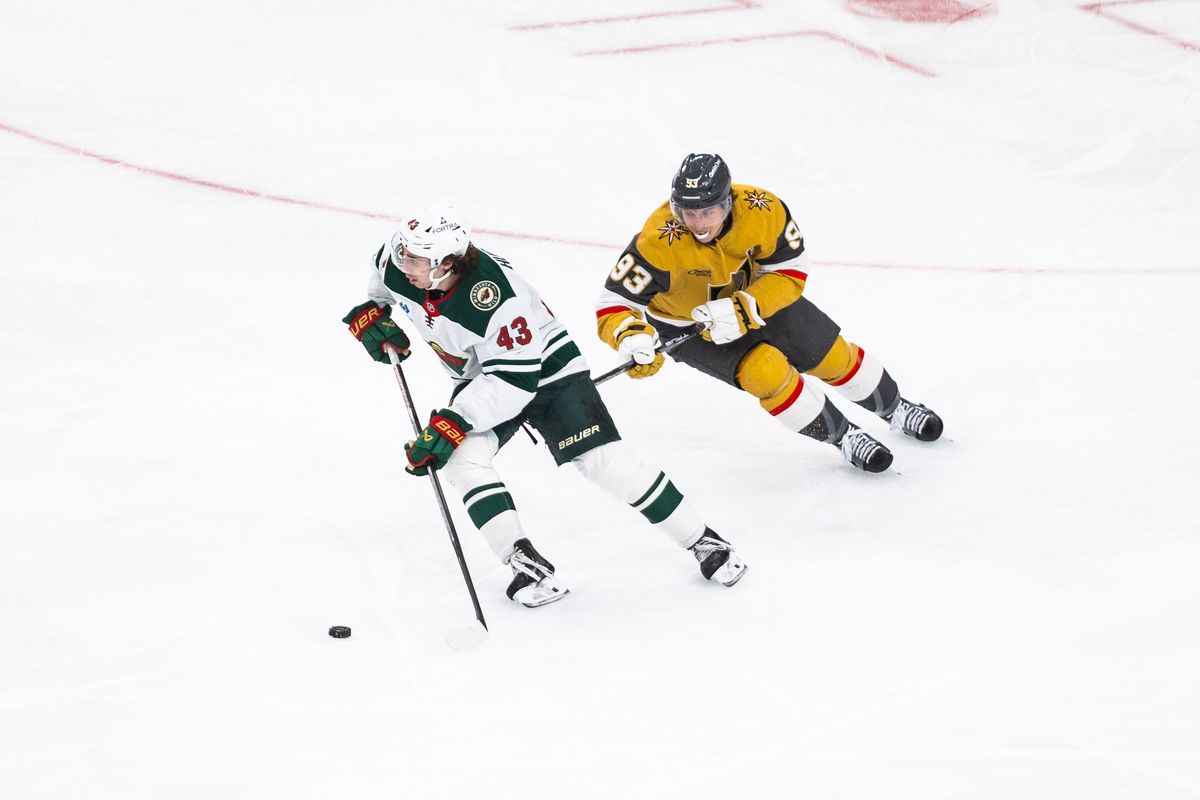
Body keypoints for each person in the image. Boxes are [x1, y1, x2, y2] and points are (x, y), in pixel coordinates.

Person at [342, 204, 747, 607]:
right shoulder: (400, 259)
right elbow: (383, 280)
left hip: (547, 370)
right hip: (483, 376)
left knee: (605, 461)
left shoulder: (497, 297)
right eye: (403, 251)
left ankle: (704, 542)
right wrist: (374, 311)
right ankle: (524, 563)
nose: (402, 261)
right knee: (462, 457)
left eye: (413, 258)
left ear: (446, 264)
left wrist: (456, 419)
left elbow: (515, 383)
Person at [596, 153, 943, 474]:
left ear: (727, 202)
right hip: (691, 326)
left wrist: (748, 307)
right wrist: (632, 336)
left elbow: (790, 271)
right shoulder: (659, 241)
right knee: (765, 373)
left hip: (757, 300)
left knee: (831, 356)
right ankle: (844, 437)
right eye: (688, 212)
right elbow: (613, 304)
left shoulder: (762, 210)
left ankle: (896, 407)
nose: (698, 223)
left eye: (707, 211)